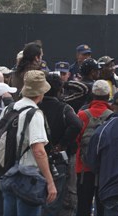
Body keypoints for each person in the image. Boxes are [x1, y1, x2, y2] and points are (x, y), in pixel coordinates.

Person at [1, 70, 57, 215]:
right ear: (41, 92)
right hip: (28, 178)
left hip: (8, 173)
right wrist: (50, 182)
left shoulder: (8, 108)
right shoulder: (34, 114)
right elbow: (38, 150)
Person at [39, 73, 83, 216]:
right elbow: (77, 124)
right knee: (58, 197)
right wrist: (62, 144)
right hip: (57, 159)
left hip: (37, 156)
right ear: (60, 90)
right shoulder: (64, 108)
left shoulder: (35, 106)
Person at [75, 80, 112, 216]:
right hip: (106, 170)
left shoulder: (82, 115)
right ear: (108, 96)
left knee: (83, 207)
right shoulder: (112, 115)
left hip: (83, 169)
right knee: (103, 208)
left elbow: (76, 140)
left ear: (93, 95)